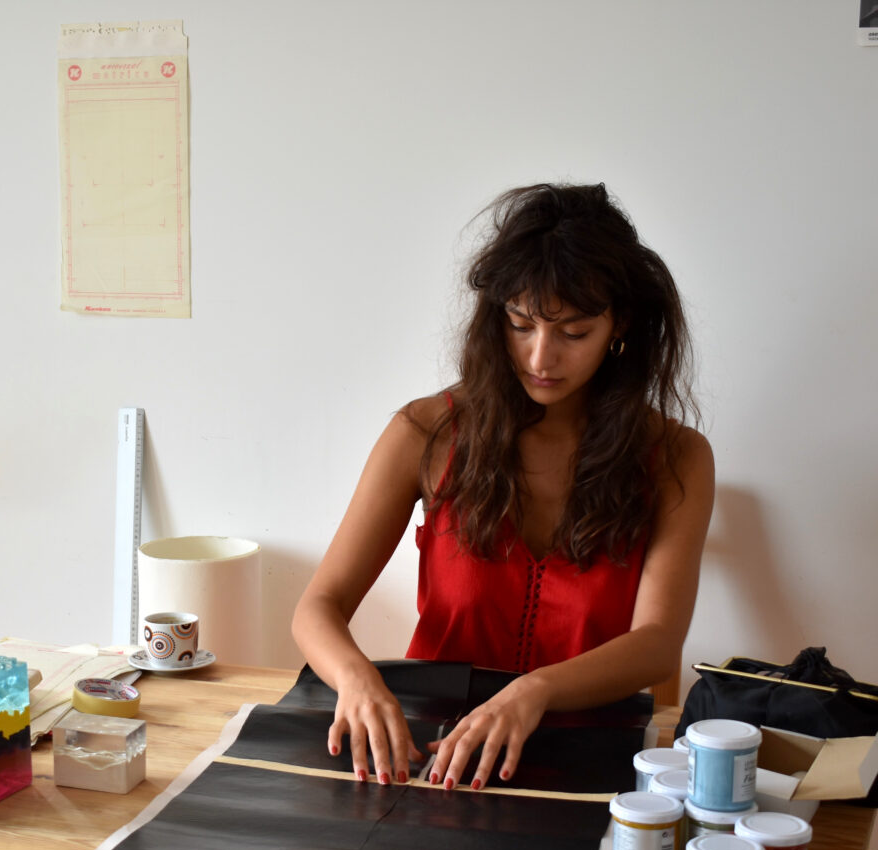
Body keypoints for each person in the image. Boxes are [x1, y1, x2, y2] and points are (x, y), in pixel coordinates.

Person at [292, 181, 714, 795]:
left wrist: (534, 690)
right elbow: (318, 607)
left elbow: (656, 645)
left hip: (590, 751)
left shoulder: (676, 457)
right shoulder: (426, 434)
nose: (541, 357)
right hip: (432, 752)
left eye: (574, 333)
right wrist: (357, 680)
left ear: (619, 325)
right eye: (520, 324)